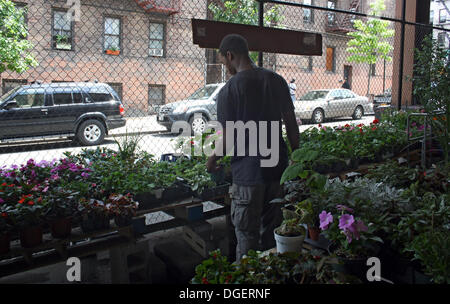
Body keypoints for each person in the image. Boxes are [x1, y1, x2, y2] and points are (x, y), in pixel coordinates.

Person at [206, 34, 300, 261]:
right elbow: (291, 124)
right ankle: (271, 275)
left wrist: (212, 159)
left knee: (246, 236)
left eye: (223, 61)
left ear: (230, 55)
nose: (225, 66)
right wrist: (296, 156)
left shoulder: (229, 90)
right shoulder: (276, 80)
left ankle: (248, 283)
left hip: (248, 176)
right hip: (277, 171)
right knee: (272, 234)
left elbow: (229, 136)